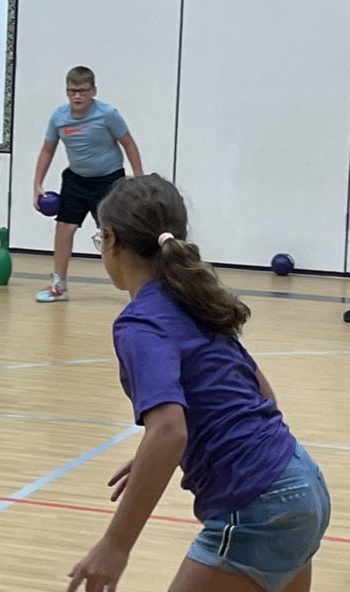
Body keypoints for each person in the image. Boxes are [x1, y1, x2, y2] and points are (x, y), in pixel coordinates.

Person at [67, 174, 330, 592]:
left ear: (113, 241)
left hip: (258, 505)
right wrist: (167, 452)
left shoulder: (139, 323)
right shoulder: (195, 299)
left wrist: (114, 546)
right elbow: (264, 397)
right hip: (301, 481)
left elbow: (169, 431)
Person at [33, 66, 143, 302]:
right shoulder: (59, 117)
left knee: (114, 235)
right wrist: (37, 185)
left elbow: (128, 144)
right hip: (75, 180)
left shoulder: (108, 114)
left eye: (82, 91)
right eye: (72, 91)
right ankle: (59, 285)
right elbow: (47, 150)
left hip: (109, 180)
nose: (77, 96)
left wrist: (139, 178)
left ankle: (137, 287)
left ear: (93, 91)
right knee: (64, 228)